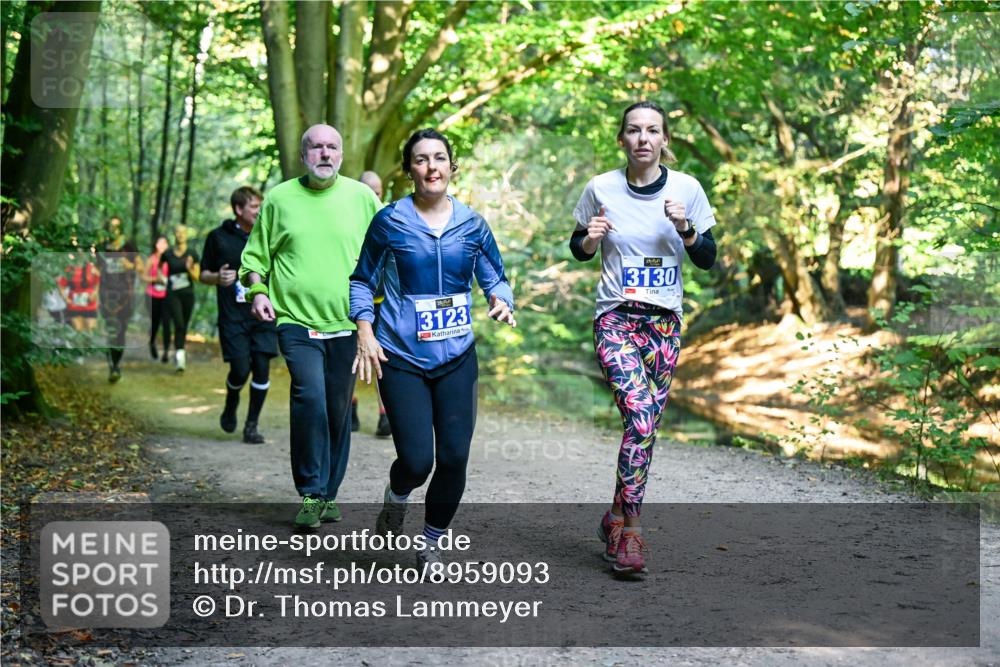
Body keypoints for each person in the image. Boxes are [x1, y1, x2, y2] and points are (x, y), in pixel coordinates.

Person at [351, 128, 516, 568]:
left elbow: (496, 278)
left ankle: (432, 541)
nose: (431, 167)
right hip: (401, 356)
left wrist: (501, 300)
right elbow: (361, 281)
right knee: (417, 459)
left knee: (456, 455)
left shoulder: (472, 225)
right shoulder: (390, 221)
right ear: (410, 171)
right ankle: (397, 495)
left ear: (451, 167)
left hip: (457, 357)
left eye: (439, 158)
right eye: (421, 159)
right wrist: (364, 331)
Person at [570, 101, 717, 577]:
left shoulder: (687, 189)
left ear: (664, 140)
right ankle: (631, 532)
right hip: (615, 317)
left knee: (644, 428)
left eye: (652, 131)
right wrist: (590, 239)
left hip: (664, 324)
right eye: (633, 131)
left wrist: (686, 229)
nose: (643, 139)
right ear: (622, 139)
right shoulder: (601, 188)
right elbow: (579, 247)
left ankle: (613, 517)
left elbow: (708, 258)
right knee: (639, 416)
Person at [240, 124, 382, 529]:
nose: (324, 153)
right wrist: (258, 292)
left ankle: (329, 492)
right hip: (295, 320)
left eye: (332, 147)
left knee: (338, 407)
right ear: (303, 155)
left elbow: (388, 250)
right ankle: (310, 492)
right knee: (310, 399)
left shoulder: (362, 198)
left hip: (349, 323)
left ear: (341, 154)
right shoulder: (280, 198)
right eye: (316, 147)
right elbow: (255, 259)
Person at [200, 186, 278, 445]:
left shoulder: (268, 234)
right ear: (238, 209)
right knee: (241, 369)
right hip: (233, 316)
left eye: (260, 206)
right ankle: (231, 399)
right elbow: (203, 274)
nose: (259, 211)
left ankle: (251, 426)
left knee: (262, 369)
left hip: (264, 313)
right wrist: (217, 277)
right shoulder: (218, 237)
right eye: (254, 207)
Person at [351, 170, 392, 438]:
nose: (375, 196)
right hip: (350, 301)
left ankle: (384, 415)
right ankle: (350, 407)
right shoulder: (347, 219)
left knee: (382, 358)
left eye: (378, 192)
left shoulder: (391, 218)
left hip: (382, 302)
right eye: (370, 191)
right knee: (350, 357)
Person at [97, 216, 139, 382]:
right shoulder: (102, 247)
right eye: (111, 226)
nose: (114, 230)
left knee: (121, 331)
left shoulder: (128, 246)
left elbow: (139, 267)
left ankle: (116, 364)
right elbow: (97, 270)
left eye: (116, 226)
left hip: (125, 295)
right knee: (111, 330)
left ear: (121, 228)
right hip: (106, 294)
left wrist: (127, 264)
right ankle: (112, 367)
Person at [163, 225, 200, 372]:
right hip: (173, 293)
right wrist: (161, 279)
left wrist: (190, 268)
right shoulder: (168, 253)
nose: (180, 235)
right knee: (178, 322)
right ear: (174, 235)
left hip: (188, 293)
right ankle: (180, 356)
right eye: (177, 232)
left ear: (186, 235)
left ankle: (180, 349)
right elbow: (159, 268)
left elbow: (197, 277)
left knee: (183, 324)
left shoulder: (192, 253)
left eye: (183, 233)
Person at [140, 236, 171, 362]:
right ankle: (152, 342)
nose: (162, 245)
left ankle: (166, 352)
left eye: (165, 242)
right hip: (152, 295)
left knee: (166, 323)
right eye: (160, 242)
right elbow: (143, 276)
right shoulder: (151, 259)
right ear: (156, 244)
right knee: (155, 322)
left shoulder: (170, 259)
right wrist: (155, 279)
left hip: (166, 295)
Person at [58, 252, 100, 336]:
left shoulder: (91, 268)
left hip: (90, 304)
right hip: (74, 305)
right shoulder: (69, 269)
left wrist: (95, 293)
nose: (80, 254)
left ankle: (89, 348)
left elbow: (97, 282)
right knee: (78, 332)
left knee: (90, 332)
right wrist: (66, 299)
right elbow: (61, 285)